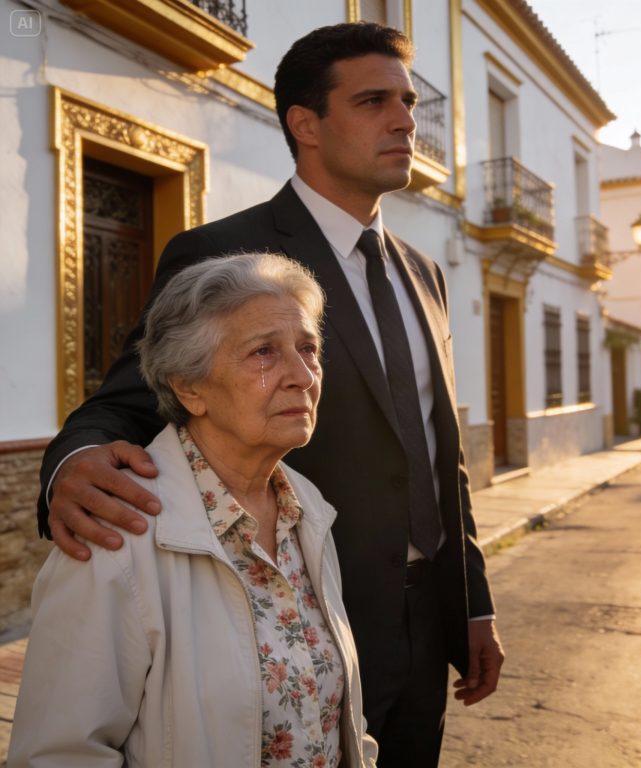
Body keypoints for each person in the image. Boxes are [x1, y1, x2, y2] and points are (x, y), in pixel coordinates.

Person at [37, 22, 504, 767]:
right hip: (300, 627)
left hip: (428, 625)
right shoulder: (227, 252)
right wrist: (74, 465)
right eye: (375, 100)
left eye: (409, 101)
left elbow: (437, 452)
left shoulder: (426, 274)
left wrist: (470, 600)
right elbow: (129, 398)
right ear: (305, 124)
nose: (406, 120)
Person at [11, 252, 377, 767]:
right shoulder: (118, 536)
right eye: (264, 353)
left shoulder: (306, 511)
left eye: (308, 348)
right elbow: (57, 755)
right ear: (190, 387)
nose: (303, 375)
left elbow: (336, 720)